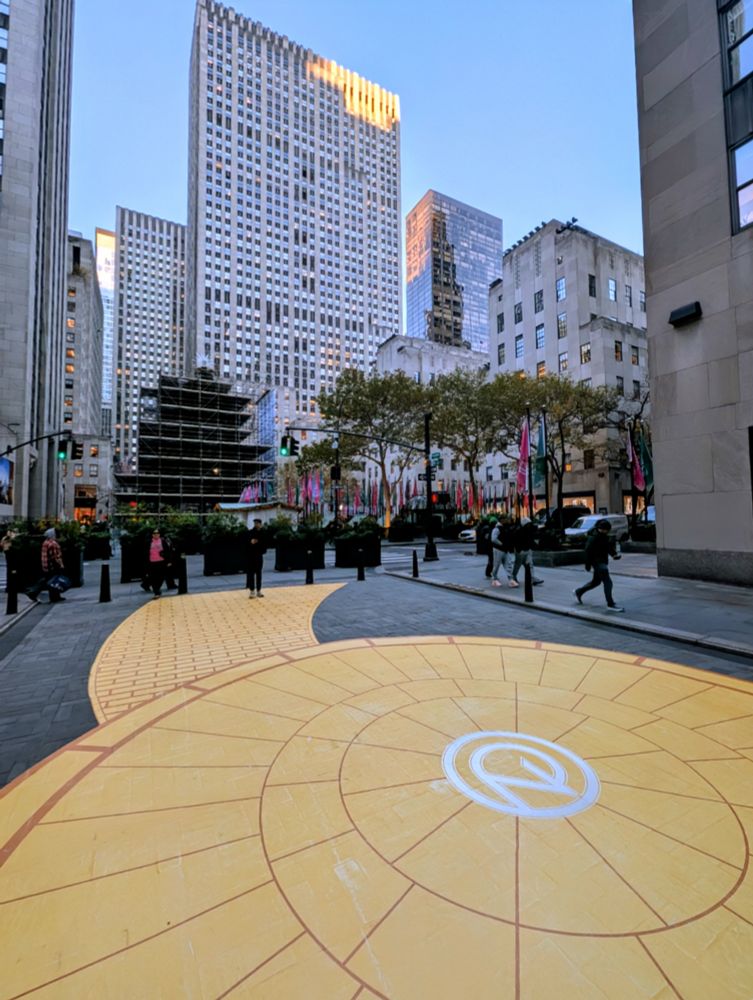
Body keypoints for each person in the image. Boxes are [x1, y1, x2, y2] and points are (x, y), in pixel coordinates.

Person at [573, 518, 624, 612]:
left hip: (602, 562)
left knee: (595, 582)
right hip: (597, 562)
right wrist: (587, 564)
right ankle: (610, 603)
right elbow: (588, 551)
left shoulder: (604, 536)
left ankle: (578, 592)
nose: (607, 531)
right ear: (601, 528)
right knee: (608, 582)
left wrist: (614, 555)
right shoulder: (593, 538)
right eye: (606, 529)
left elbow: (608, 547)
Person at [26, 527, 66, 603]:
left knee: (48, 581)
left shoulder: (45, 542)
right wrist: (60, 565)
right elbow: (54, 557)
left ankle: (54, 596)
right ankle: (34, 593)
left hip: (46, 566)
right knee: (52, 581)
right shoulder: (53, 544)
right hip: (52, 566)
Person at [510, 516, 544, 586]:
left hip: (527, 550)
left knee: (530, 564)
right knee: (517, 565)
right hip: (521, 551)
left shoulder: (529, 530)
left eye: (529, 524)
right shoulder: (518, 532)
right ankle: (513, 577)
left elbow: (536, 529)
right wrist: (519, 550)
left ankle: (532, 578)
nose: (529, 525)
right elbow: (515, 542)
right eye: (527, 524)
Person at [490, 517, 516, 588]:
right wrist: (501, 544)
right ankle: (494, 579)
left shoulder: (504, 528)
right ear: (501, 520)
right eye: (506, 519)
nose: (508, 520)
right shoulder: (497, 528)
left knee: (508, 564)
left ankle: (510, 579)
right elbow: (493, 539)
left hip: (505, 549)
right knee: (497, 564)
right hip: (499, 549)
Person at [147, 529, 173, 599]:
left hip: (161, 562)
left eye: (157, 533)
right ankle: (156, 592)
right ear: (152, 535)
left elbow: (168, 551)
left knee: (161, 577)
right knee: (153, 577)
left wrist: (169, 561)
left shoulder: (163, 541)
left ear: (159, 534)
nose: (156, 535)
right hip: (152, 562)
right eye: (154, 534)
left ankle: (157, 588)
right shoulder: (149, 542)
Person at [246, 518, 267, 598]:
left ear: (260, 524)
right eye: (255, 523)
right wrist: (251, 542)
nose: (256, 524)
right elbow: (246, 543)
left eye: (258, 523)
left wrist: (258, 543)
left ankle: (258, 590)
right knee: (251, 573)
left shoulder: (263, 533)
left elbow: (265, 544)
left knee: (259, 573)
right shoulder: (250, 533)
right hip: (251, 556)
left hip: (258, 556)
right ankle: (252, 591)